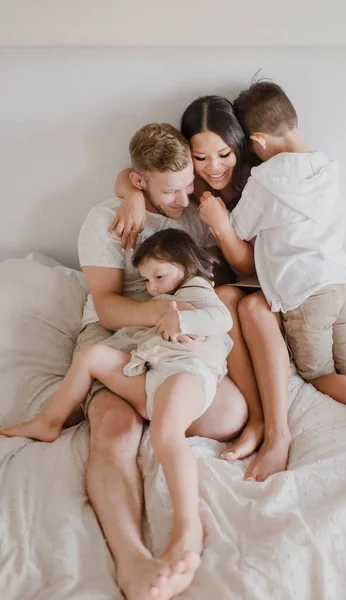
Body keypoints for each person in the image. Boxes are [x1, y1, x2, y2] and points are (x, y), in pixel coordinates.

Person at [27, 123, 247, 600]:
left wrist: (184, 318)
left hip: (178, 338)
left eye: (189, 183)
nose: (184, 196)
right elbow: (106, 306)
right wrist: (165, 313)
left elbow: (216, 288)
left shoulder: (192, 213)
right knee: (112, 431)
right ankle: (132, 561)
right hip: (116, 333)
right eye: (171, 189)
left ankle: (165, 411)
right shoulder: (107, 218)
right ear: (140, 180)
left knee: (229, 413)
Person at [0, 228, 235, 597]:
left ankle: (188, 529)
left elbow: (222, 321)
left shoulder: (197, 290)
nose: (153, 287)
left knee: (165, 434)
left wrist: (182, 320)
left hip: (188, 375)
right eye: (146, 280)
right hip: (152, 374)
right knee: (92, 356)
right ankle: (50, 421)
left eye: (160, 276)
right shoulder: (158, 290)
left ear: (186, 266)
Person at [113, 96, 292, 483]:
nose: (213, 167)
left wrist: (222, 225)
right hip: (218, 289)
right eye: (200, 158)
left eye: (224, 154)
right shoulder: (187, 188)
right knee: (226, 299)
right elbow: (133, 174)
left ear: (239, 147)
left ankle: (278, 432)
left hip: (258, 278)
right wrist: (131, 196)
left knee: (247, 307)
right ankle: (257, 423)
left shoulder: (256, 181)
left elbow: (248, 266)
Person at [229, 79, 346, 452]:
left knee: (320, 374)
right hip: (344, 284)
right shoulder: (327, 166)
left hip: (307, 296)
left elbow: (238, 228)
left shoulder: (265, 180)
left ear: (257, 142)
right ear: (294, 121)